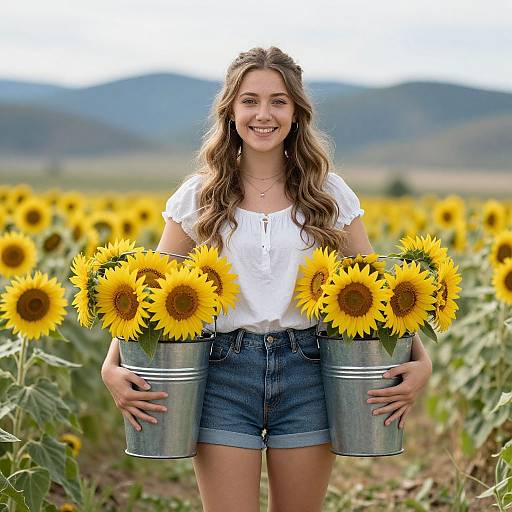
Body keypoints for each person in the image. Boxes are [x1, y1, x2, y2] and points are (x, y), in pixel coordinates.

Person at [101, 46, 433, 512]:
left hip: (309, 371)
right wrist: (111, 364)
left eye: (278, 101)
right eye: (250, 100)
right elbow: (148, 291)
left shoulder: (329, 193)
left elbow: (382, 290)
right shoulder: (198, 195)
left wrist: (421, 361)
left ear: (296, 113)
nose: (264, 114)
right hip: (221, 373)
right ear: (231, 111)